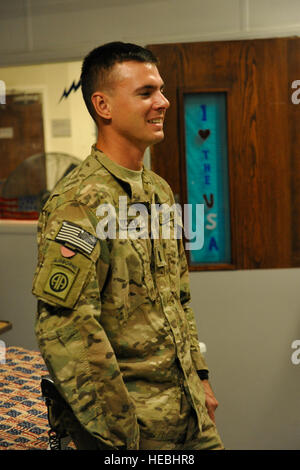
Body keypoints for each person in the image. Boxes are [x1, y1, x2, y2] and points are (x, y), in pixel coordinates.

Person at [32, 42, 224, 450]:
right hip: (131, 432)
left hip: (189, 414)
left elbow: (179, 298)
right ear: (103, 105)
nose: (163, 102)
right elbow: (66, 329)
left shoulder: (159, 192)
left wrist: (201, 378)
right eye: (146, 93)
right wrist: (119, 436)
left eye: (161, 90)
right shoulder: (80, 202)